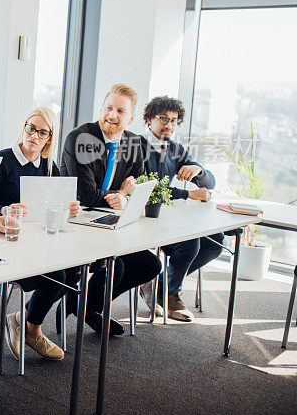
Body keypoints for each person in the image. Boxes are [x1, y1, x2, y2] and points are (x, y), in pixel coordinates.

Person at [60, 84, 162, 336]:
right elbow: (86, 194)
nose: (112, 115)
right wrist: (122, 195)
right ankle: (82, 307)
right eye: (108, 108)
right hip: (74, 220)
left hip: (108, 222)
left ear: (131, 118)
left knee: (149, 265)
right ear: (101, 108)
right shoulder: (82, 138)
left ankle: (84, 305)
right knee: (116, 264)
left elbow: (139, 182)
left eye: (120, 111)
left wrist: (126, 198)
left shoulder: (134, 143)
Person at [0, 108, 81, 361]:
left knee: (73, 271)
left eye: (42, 132)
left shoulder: (48, 166)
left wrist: (70, 208)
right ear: (23, 127)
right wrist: (4, 209)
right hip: (7, 242)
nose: (34, 135)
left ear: (50, 138)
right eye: (30, 128)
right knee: (57, 274)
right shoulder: (2, 160)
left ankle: (21, 318)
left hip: (37, 242)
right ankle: (33, 329)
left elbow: (57, 204)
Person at [138, 96, 224, 322]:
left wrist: (199, 173)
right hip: (146, 219)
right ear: (149, 119)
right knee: (190, 241)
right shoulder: (136, 146)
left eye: (174, 121)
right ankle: (170, 293)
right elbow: (147, 189)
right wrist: (187, 194)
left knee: (216, 241)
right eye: (163, 118)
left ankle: (160, 285)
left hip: (170, 219)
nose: (169, 125)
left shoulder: (175, 148)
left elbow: (210, 183)